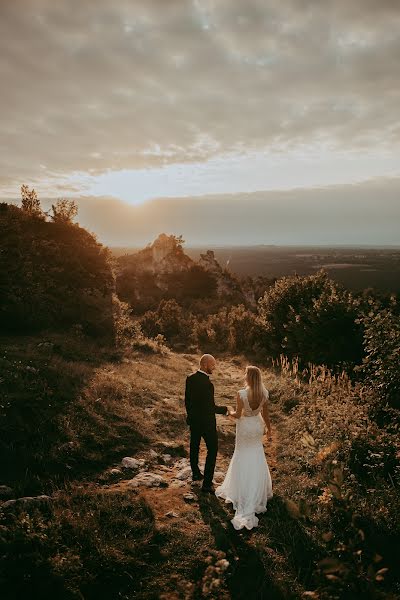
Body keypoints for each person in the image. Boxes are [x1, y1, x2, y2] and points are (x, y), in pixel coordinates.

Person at [215, 365, 273, 530]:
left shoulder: (241, 394)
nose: (244, 375)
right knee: (256, 454)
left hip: (245, 427)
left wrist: (229, 411)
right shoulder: (264, 394)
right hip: (256, 427)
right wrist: (269, 431)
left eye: (246, 373)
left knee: (241, 455)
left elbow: (238, 415)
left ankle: (241, 490)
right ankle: (257, 490)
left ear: (249, 377)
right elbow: (267, 416)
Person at [184, 354, 228, 493]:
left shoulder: (190, 379)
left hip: (194, 421)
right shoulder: (208, 384)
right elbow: (211, 407)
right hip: (207, 424)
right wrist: (226, 409)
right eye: (212, 364)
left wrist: (190, 417)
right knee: (213, 449)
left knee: (194, 446)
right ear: (204, 364)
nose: (214, 367)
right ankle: (207, 484)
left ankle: (195, 473)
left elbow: (187, 401)